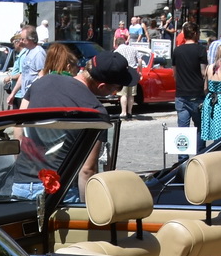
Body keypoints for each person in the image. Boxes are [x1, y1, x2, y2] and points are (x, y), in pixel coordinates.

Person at [21, 49, 130, 194]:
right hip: (60, 191)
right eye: (118, 88)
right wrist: (89, 211)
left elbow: (19, 128)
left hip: (21, 182)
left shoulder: (43, 81)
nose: (116, 93)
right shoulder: (95, 111)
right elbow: (87, 170)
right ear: (102, 86)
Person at [170, 25, 209, 132]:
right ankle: (200, 149)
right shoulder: (201, 50)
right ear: (195, 34)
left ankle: (184, 148)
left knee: (183, 130)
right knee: (200, 128)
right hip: (197, 92)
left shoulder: (177, 51)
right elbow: (203, 73)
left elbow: (175, 73)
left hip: (181, 93)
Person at [113, 30, 144, 119]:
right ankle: (130, 112)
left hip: (123, 72)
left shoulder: (117, 51)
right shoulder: (133, 49)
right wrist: (140, 71)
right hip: (133, 72)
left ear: (117, 43)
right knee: (131, 94)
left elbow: (115, 63)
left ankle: (123, 112)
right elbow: (140, 60)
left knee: (123, 94)